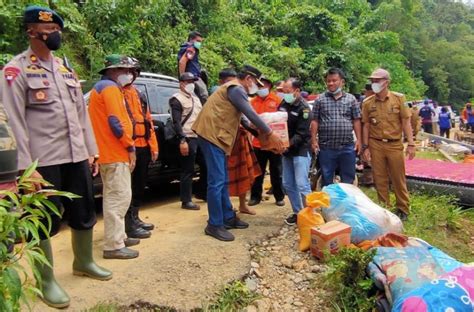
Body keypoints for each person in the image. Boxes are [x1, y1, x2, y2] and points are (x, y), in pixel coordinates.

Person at [0, 6, 112, 308]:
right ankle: (46, 280)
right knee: (43, 221)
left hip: (76, 155)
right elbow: (12, 121)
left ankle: (83, 262)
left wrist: (92, 151)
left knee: (84, 210)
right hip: (42, 162)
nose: (54, 34)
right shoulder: (16, 70)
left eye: (56, 30)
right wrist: (26, 169)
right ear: (31, 32)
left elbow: (81, 115)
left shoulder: (66, 70)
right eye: (47, 30)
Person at [192, 65, 285, 241]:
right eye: (256, 83)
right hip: (211, 135)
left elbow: (243, 120)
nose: (257, 88)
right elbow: (250, 113)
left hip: (218, 136)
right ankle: (214, 224)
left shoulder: (234, 90)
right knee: (216, 181)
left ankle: (227, 217)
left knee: (223, 179)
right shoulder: (236, 89)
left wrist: (261, 135)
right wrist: (270, 134)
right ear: (249, 79)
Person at [89, 55, 139, 260]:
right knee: (118, 199)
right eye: (125, 71)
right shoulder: (109, 89)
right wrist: (130, 146)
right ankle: (113, 245)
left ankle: (118, 236)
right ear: (113, 71)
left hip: (107, 152)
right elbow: (116, 122)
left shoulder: (102, 88)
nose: (129, 75)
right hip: (115, 152)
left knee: (113, 197)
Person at [361, 68, 415, 221]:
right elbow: (366, 125)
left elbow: (406, 122)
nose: (374, 84)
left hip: (394, 144)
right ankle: (384, 208)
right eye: (372, 81)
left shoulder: (399, 99)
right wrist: (365, 147)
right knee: (379, 178)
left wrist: (411, 144)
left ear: (387, 82)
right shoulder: (367, 103)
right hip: (375, 143)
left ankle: (403, 208)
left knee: (398, 177)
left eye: (377, 81)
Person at [122, 62, 158, 238]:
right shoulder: (118, 93)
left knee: (139, 184)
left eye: (134, 71)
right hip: (128, 147)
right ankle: (127, 223)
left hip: (143, 145)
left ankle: (135, 217)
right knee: (125, 187)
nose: (131, 74)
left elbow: (148, 121)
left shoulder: (139, 94)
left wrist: (154, 146)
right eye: (128, 71)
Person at [311, 68, 362, 187]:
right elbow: (314, 121)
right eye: (328, 81)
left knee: (348, 179)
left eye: (334, 80)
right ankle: (328, 205)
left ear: (342, 82)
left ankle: (346, 204)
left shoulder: (351, 99)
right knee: (326, 178)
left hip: (347, 147)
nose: (331, 83)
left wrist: (359, 140)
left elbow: (356, 120)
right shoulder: (320, 99)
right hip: (326, 147)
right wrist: (313, 140)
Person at [279, 78, 312, 225]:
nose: (285, 94)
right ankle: (298, 213)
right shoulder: (283, 104)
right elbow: (278, 124)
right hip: (286, 151)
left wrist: (287, 144)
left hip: (300, 150)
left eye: (287, 92)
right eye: (283, 92)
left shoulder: (304, 108)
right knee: (288, 183)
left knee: (302, 184)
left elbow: (302, 133)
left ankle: (310, 215)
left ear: (297, 91)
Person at [248, 77, 285, 207]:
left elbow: (282, 120)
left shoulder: (277, 100)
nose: (261, 88)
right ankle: (255, 197)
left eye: (263, 85)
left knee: (277, 171)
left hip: (274, 142)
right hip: (258, 142)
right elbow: (248, 121)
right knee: (258, 172)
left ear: (269, 86)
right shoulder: (252, 102)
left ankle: (279, 196)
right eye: (259, 86)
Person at [169, 72, 203, 210]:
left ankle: (202, 192)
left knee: (206, 165)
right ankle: (186, 200)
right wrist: (182, 140)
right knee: (187, 170)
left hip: (199, 136)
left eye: (192, 82)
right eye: (188, 82)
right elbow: (176, 121)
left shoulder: (196, 99)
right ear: (181, 83)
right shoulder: (176, 99)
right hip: (187, 137)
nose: (191, 84)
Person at [177, 31, 208, 103]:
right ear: (191, 39)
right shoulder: (191, 48)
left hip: (190, 76)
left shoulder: (186, 47)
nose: (199, 43)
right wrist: (183, 77)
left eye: (200, 42)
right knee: (204, 95)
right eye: (197, 41)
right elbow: (182, 62)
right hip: (192, 76)